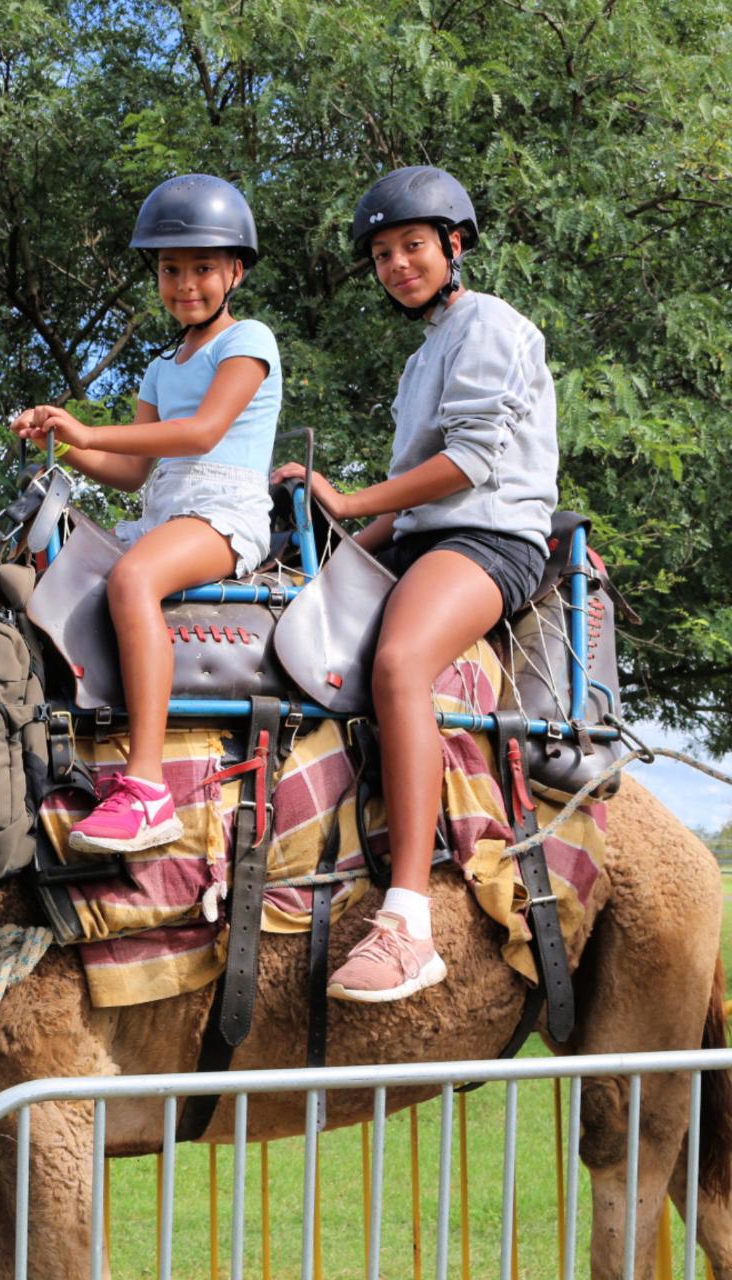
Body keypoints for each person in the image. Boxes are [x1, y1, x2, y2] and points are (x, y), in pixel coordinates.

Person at [274, 166, 557, 1003]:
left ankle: (409, 922)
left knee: (399, 664)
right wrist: (331, 561)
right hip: (421, 539)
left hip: (490, 539)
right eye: (384, 254)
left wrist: (349, 499)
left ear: (454, 246)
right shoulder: (422, 358)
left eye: (413, 247)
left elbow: (469, 463)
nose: (398, 265)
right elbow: (403, 509)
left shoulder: (491, 327)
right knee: (293, 636)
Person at [11, 174, 282, 854]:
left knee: (133, 581)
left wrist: (92, 431)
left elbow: (201, 434)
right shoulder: (163, 365)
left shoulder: (247, 340)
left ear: (235, 272)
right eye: (170, 269)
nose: (184, 283)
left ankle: (148, 788)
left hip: (223, 512)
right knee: (55, 570)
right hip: (166, 513)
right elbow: (134, 473)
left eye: (201, 268)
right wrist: (65, 444)